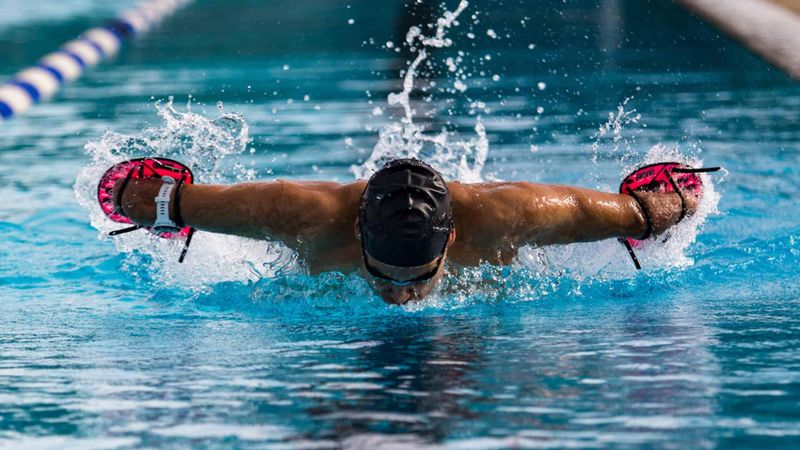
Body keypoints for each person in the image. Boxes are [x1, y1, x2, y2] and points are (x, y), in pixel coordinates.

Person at [112, 158, 698, 305]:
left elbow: (646, 212)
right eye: (385, 276)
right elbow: (147, 196)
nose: (402, 295)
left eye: (418, 279)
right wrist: (137, 200)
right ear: (359, 236)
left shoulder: (517, 215)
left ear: (449, 241)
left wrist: (675, 204)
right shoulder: (296, 213)